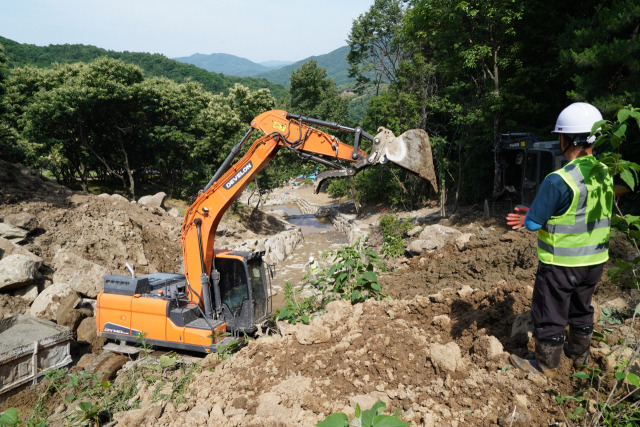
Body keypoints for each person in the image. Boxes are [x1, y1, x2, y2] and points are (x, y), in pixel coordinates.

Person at [505, 102, 614, 377]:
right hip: (595, 261)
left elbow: (532, 224)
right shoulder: (605, 172)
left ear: (565, 139)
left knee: (549, 311)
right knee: (581, 308)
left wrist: (531, 215)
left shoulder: (558, 180)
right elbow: (579, 211)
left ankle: (545, 364)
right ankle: (579, 355)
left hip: (561, 264)